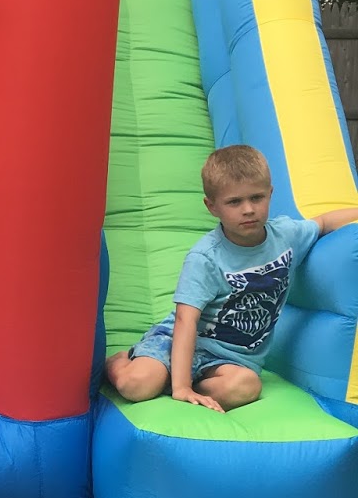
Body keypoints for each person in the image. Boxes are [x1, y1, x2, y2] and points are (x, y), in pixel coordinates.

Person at [105, 143, 358, 412]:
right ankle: (118, 362)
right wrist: (181, 387)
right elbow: (185, 320)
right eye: (234, 202)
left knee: (246, 387)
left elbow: (322, 222)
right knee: (138, 385)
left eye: (256, 198)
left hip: (229, 361)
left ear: (270, 194)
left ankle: (177, 382)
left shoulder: (286, 236)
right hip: (177, 342)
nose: (248, 209)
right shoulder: (206, 257)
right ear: (212, 206)